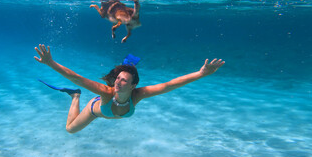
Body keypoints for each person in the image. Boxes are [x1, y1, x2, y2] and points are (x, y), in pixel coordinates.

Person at [34, 44, 225, 134]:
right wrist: (51, 63)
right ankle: (75, 97)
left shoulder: (138, 94)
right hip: (96, 111)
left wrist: (201, 74)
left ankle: (127, 67)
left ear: (133, 85)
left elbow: (169, 85)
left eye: (124, 80)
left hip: (113, 110)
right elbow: (76, 77)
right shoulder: (106, 92)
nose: (117, 82)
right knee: (70, 130)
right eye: (117, 79)